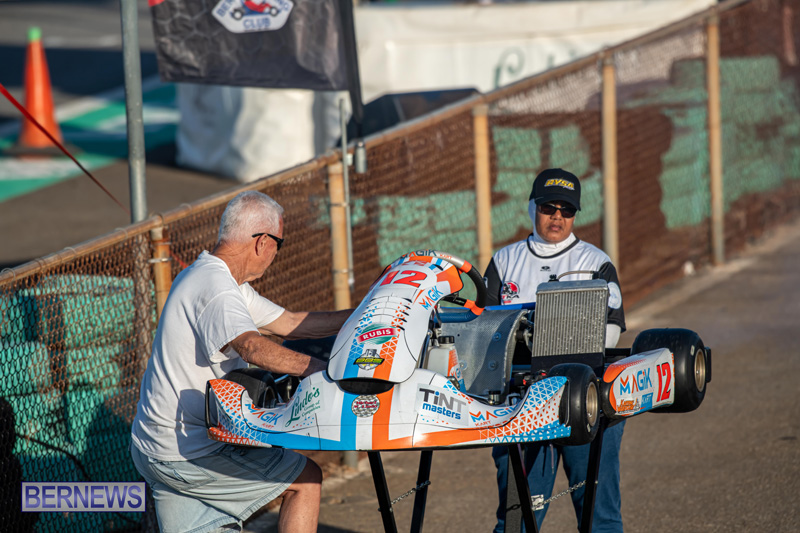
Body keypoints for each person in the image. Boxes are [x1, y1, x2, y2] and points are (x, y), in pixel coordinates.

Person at [130, 191, 352, 533]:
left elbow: (292, 323)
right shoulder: (216, 287)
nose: (276, 253)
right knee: (305, 480)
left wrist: (365, 314)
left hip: (156, 446)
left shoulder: (215, 279)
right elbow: (252, 348)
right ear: (263, 242)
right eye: (279, 244)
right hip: (189, 450)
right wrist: (329, 372)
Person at [484, 168, 626, 533]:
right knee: (516, 521)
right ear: (533, 207)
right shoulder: (504, 261)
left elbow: (610, 331)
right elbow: (483, 332)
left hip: (586, 400)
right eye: (549, 208)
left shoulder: (595, 262)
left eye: (567, 209)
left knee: (600, 519)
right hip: (520, 405)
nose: (557, 217)